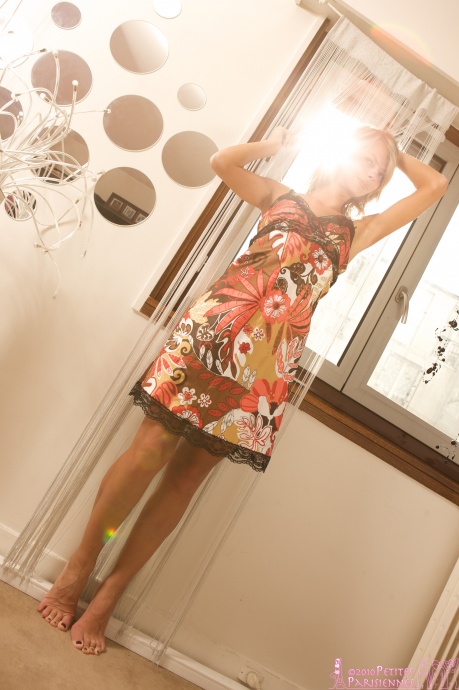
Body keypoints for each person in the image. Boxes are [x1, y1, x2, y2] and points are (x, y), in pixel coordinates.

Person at [36, 125, 447, 655]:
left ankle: (109, 595)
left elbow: (435, 185)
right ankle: (78, 568)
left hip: (266, 368)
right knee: (146, 453)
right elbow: (222, 162)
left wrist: (393, 145)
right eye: (365, 158)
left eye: (379, 170)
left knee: (185, 479)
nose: (372, 171)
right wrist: (280, 146)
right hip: (210, 336)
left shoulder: (359, 231)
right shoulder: (278, 194)